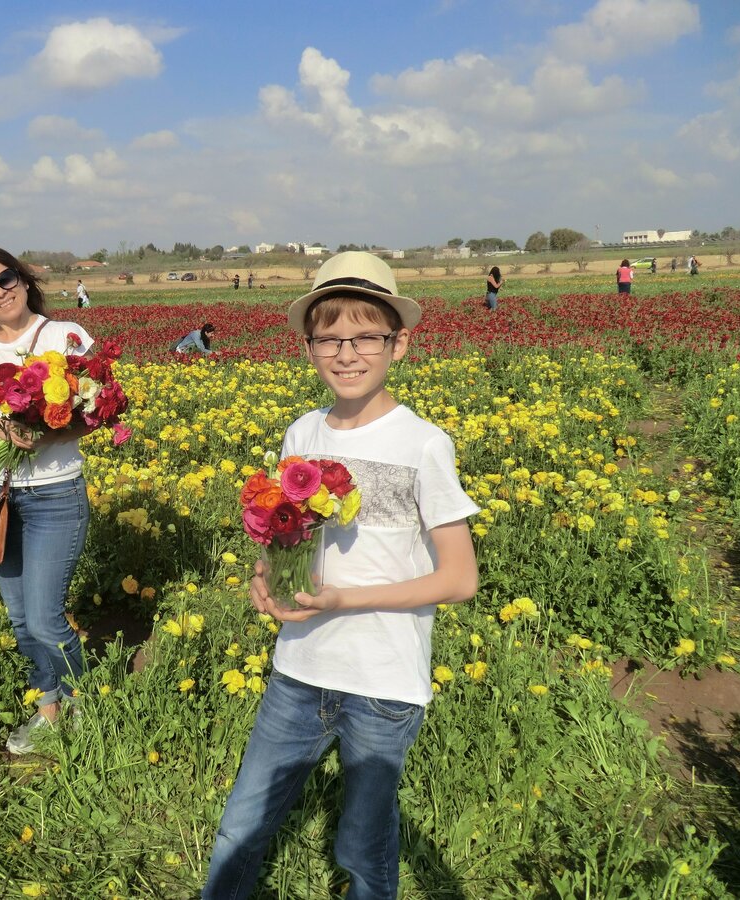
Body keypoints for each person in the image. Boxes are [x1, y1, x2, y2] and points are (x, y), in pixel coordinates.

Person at [203, 251, 479, 900]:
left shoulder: (423, 444)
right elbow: (282, 531)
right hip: (299, 669)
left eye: (365, 337)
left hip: (383, 683)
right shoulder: (301, 433)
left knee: (362, 845)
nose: (346, 353)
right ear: (309, 348)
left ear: (398, 344)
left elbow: (460, 577)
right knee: (241, 825)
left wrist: (346, 598)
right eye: (329, 338)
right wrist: (265, 577)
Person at [0, 246, 94, 755]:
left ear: (23, 278)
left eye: (6, 278)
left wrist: (46, 427)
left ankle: (85, 704)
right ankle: (48, 709)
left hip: (56, 494)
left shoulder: (65, 336)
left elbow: (92, 412)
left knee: (43, 617)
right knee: (18, 618)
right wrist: (5, 426)